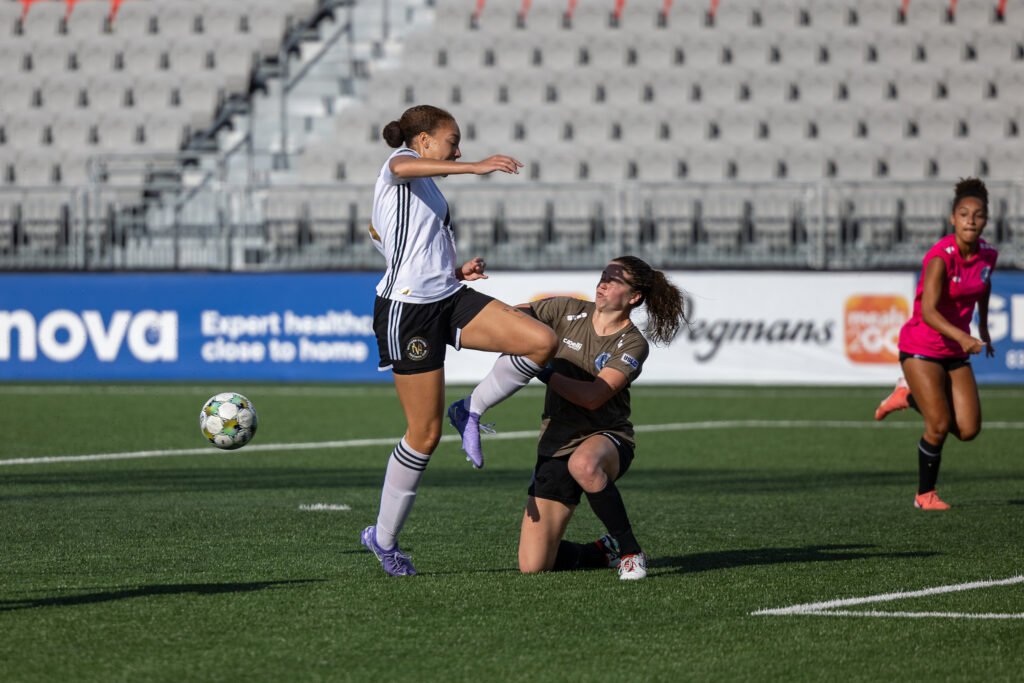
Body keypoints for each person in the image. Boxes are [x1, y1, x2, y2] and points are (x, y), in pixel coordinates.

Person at [360, 105, 558, 576]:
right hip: (408, 311)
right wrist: (475, 167)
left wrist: (454, 270)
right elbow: (401, 168)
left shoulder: (428, 186)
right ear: (424, 141)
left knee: (540, 341)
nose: (458, 150)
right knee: (423, 435)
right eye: (452, 141)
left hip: (448, 295)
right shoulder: (399, 166)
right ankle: (383, 540)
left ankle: (470, 410)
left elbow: (410, 248)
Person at [457, 256, 686, 580]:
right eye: (603, 275)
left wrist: (542, 368)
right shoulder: (565, 309)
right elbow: (513, 317)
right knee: (534, 565)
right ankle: (603, 551)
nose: (603, 283)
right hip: (556, 441)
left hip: (607, 436)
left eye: (614, 280)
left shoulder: (633, 343)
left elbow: (593, 397)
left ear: (634, 296)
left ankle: (630, 552)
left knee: (584, 464)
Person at [874, 177, 997, 510]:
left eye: (978, 215)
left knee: (968, 430)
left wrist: (983, 326)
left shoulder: (988, 255)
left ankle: (908, 396)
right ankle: (924, 495)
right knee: (939, 424)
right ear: (952, 219)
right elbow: (928, 311)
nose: (971, 220)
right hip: (921, 346)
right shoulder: (940, 257)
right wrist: (964, 336)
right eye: (964, 214)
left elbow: (983, 285)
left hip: (954, 350)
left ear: (986, 220)